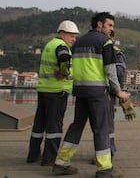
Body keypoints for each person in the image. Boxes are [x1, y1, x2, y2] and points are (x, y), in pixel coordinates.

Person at [52, 12, 129, 178]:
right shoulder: (105, 42)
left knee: (76, 126)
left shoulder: (77, 42)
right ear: (99, 25)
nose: (111, 29)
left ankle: (61, 162)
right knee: (101, 129)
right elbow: (110, 70)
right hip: (98, 93)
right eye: (109, 25)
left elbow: (72, 67)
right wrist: (118, 91)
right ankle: (105, 169)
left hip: (80, 91)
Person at [26, 20, 80, 166]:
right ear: (62, 34)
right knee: (54, 127)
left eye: (75, 36)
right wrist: (64, 72)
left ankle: (33, 155)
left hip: (44, 89)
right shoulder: (61, 46)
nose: (73, 39)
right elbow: (64, 58)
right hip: (57, 91)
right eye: (71, 36)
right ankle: (49, 158)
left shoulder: (49, 45)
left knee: (39, 125)